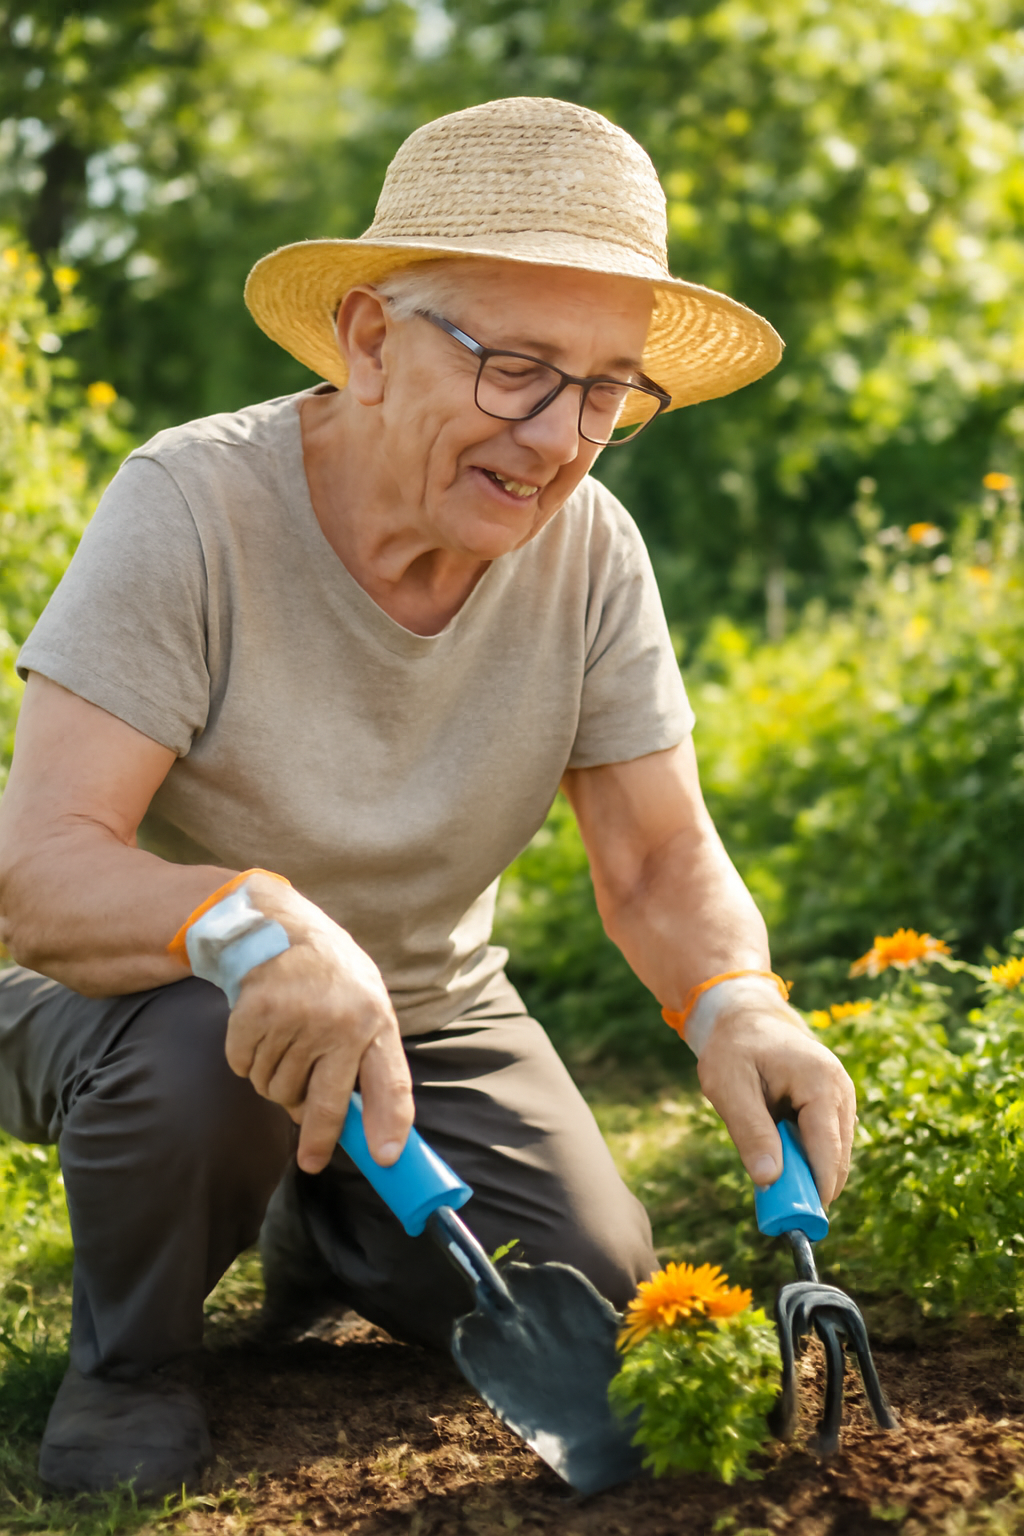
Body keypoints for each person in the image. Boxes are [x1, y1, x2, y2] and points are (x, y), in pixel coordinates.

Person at [0, 96, 855, 1496]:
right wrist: (259, 922)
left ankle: (321, 1214)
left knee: (595, 1270)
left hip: (428, 1007)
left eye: (606, 390)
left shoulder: (587, 549)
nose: (559, 435)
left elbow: (654, 864)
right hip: (126, 996)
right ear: (371, 340)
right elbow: (37, 874)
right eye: (517, 367)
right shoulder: (193, 507)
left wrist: (737, 1000)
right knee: (205, 1047)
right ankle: (132, 1361)